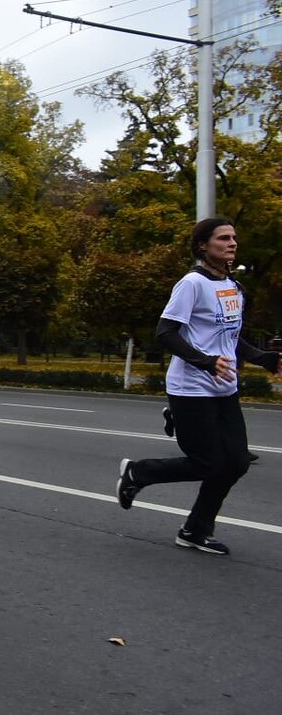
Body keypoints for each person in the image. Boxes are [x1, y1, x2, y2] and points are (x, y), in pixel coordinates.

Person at [116, 218, 280, 555]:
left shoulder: (232, 286)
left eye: (234, 237)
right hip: (191, 388)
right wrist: (205, 361)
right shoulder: (192, 284)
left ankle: (195, 530)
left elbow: (230, 338)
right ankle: (138, 472)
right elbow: (165, 333)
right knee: (207, 462)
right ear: (203, 246)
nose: (232, 243)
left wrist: (263, 357)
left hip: (224, 388)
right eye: (223, 238)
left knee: (235, 462)